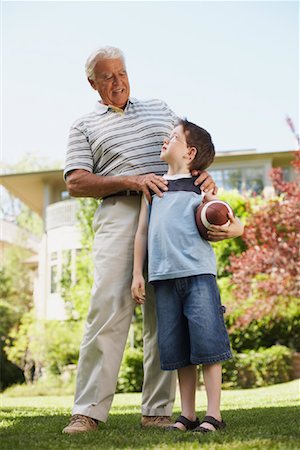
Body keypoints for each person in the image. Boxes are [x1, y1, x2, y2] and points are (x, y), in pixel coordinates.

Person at [62, 46, 217, 434]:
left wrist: (204, 177)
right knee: (109, 308)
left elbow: (187, 149)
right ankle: (88, 411)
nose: (118, 82)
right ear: (92, 83)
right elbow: (75, 181)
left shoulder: (160, 109)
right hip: (121, 211)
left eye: (122, 73)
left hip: (170, 212)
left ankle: (158, 411)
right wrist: (131, 180)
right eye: (108, 77)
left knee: (164, 311)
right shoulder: (84, 125)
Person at [131, 119, 244, 433]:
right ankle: (188, 415)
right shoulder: (153, 188)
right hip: (163, 279)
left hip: (198, 276)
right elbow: (141, 233)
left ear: (190, 152)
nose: (166, 139)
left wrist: (235, 227)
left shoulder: (201, 186)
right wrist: (136, 275)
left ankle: (214, 414)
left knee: (208, 346)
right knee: (178, 351)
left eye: (173, 137)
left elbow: (222, 217)